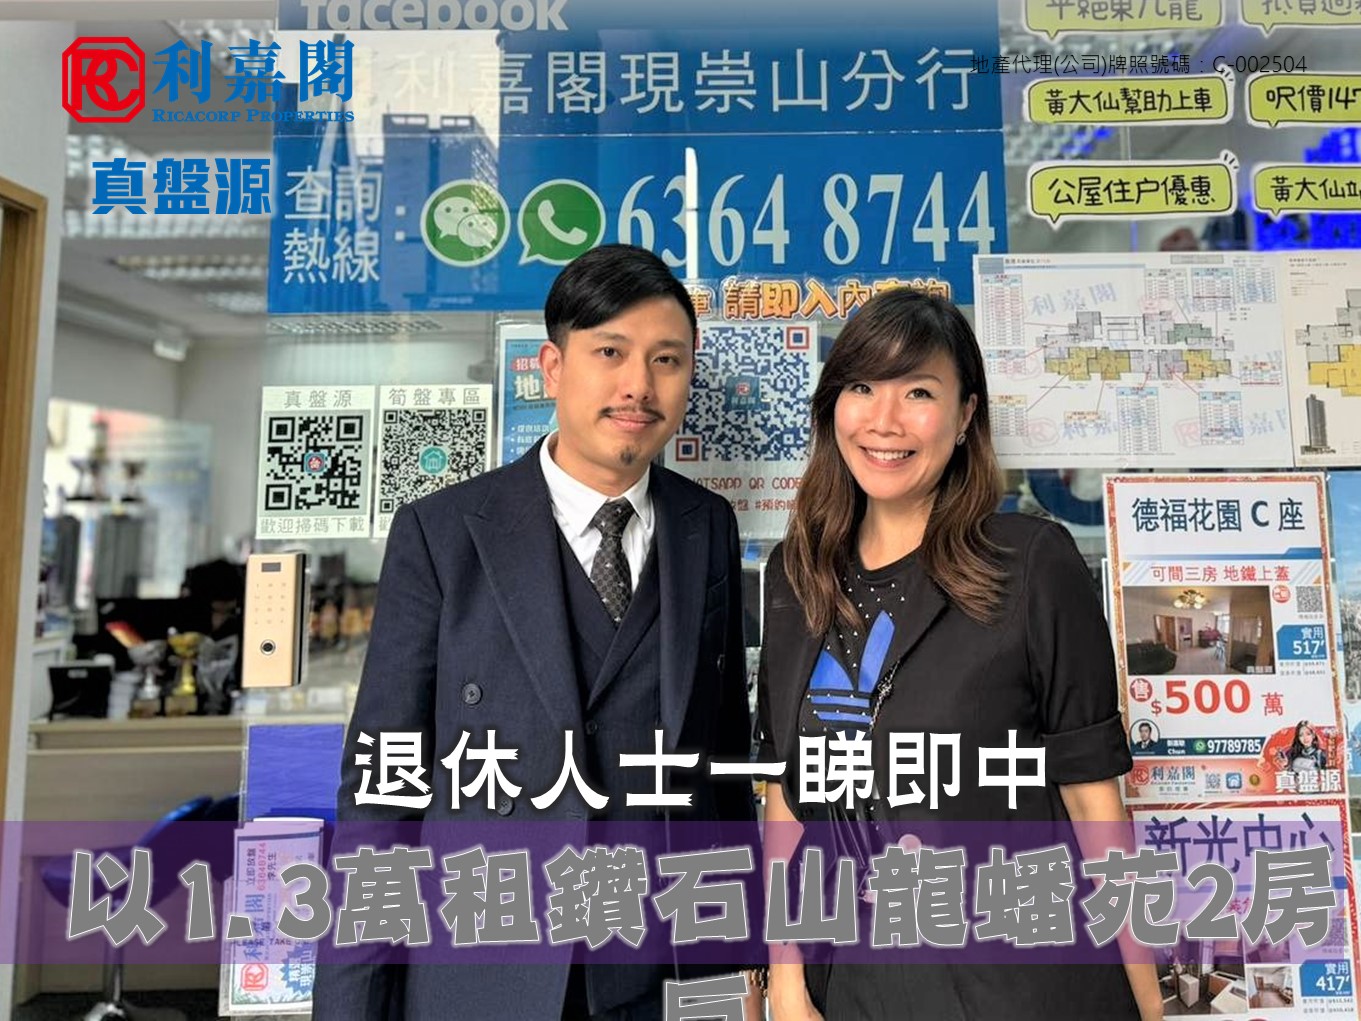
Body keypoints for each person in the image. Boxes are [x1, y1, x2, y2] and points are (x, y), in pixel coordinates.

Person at [313, 245, 758, 1020]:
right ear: (552, 368)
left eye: (666, 359)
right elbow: (383, 786)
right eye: (609, 353)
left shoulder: (705, 525)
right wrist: (351, 1005)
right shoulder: (442, 533)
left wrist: (740, 957)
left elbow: (719, 766)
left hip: (664, 968)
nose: (638, 384)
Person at [754, 289, 1160, 1021]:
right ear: (831, 404)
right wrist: (787, 981)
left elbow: (1092, 795)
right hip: (852, 981)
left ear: (966, 413)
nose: (883, 420)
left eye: (918, 392)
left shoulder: (1029, 563)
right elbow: (788, 791)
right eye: (860, 387)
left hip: (1019, 983)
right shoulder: (795, 574)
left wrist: (1146, 998)